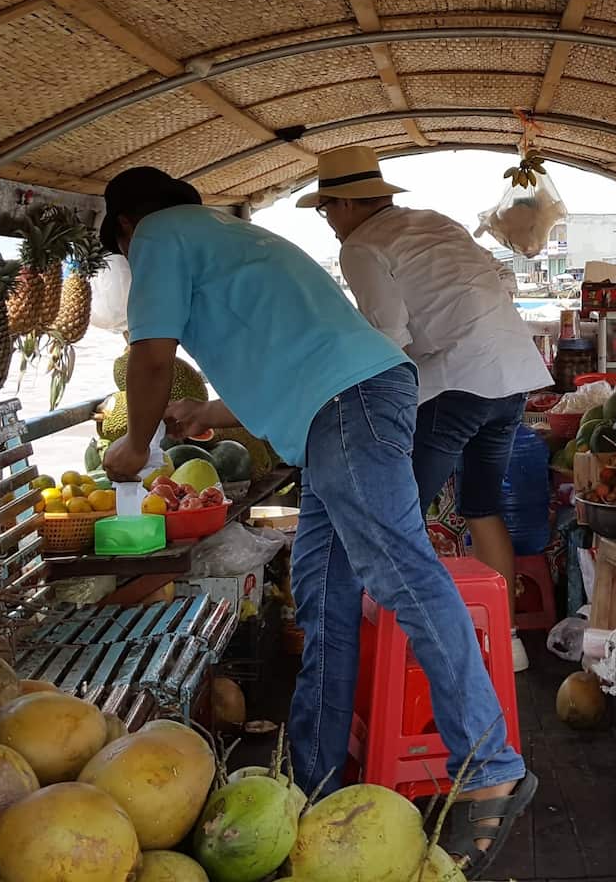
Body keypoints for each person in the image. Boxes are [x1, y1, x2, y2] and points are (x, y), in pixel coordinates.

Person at [99, 166, 535, 878]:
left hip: (350, 406)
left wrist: (137, 445)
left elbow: (149, 360)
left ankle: (489, 765)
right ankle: (312, 779)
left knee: (403, 576)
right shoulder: (232, 237)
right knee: (323, 592)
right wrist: (203, 415)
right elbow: (295, 358)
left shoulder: (154, 234)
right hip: (349, 402)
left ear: (123, 224)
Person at [297, 146, 553, 672]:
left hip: (456, 383)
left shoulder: (363, 247)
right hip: (511, 379)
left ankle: (410, 641)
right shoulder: (432, 222)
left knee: (397, 515)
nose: (329, 223)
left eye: (326, 211)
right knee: (483, 507)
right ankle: (506, 643)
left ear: (343, 206)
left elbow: (389, 338)